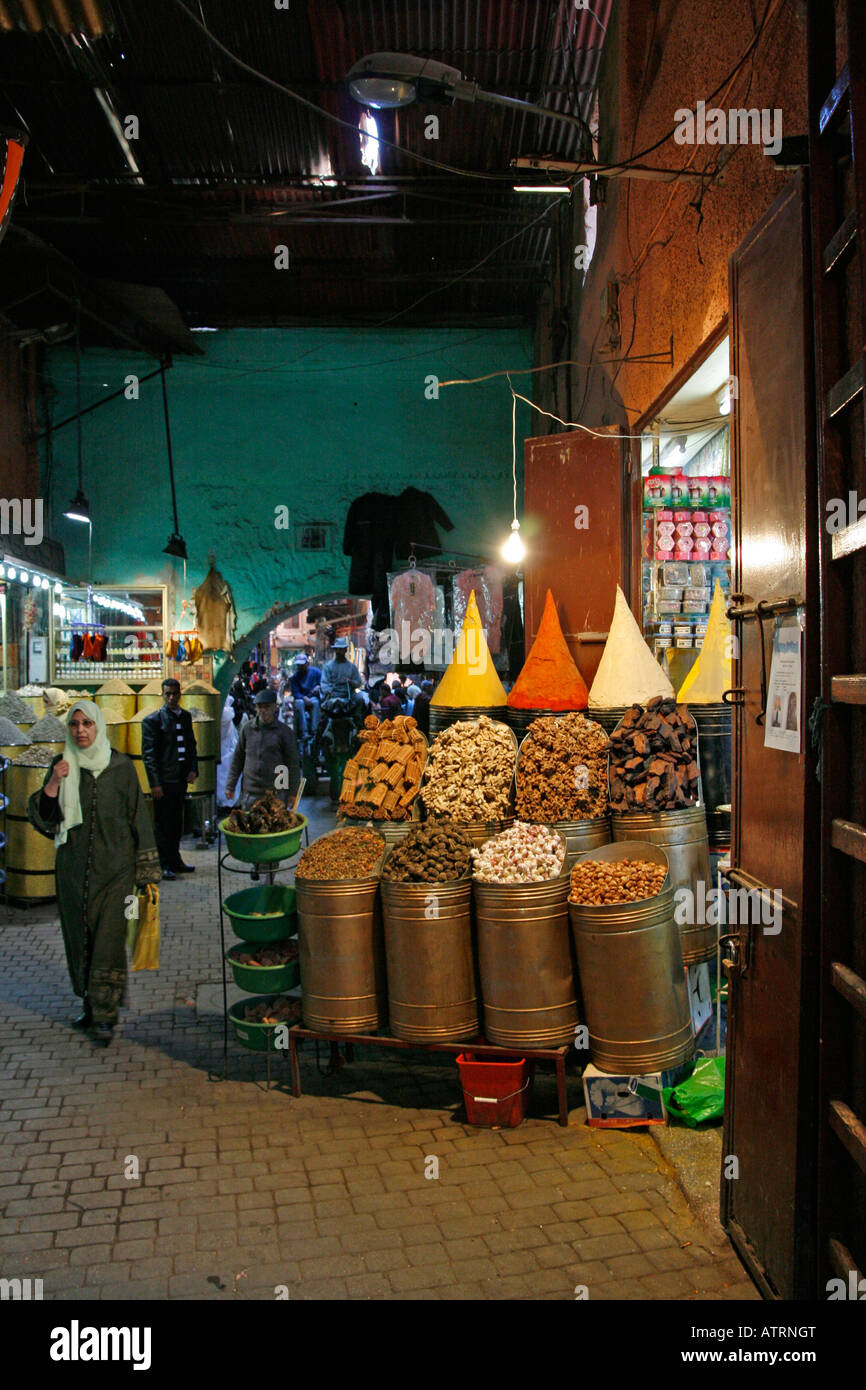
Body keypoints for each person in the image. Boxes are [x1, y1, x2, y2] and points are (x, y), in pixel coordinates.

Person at [27, 700, 161, 1046]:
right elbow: (44, 819)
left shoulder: (121, 768)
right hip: (73, 873)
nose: (81, 730)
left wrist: (147, 871)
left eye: (87, 724)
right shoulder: (62, 765)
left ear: (98, 726)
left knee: (109, 942)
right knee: (80, 940)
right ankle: (89, 1004)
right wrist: (55, 783)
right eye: (74, 725)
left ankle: (105, 1014)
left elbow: (138, 818)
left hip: (117, 872)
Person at [141, 679, 199, 880]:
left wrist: (193, 769)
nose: (172, 698)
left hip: (180, 779)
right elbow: (149, 756)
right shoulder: (153, 721)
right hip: (164, 782)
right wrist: (155, 783)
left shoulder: (185, 717)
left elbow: (191, 744)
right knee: (162, 824)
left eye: (175, 693)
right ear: (163, 695)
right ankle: (163, 863)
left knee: (176, 822)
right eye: (168, 694)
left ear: (180, 694)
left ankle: (175, 860)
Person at [225, 687, 301, 808]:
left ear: (274, 708)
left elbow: (292, 764)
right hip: (250, 794)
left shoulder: (285, 732)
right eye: (260, 707)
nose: (263, 711)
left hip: (277, 794)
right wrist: (230, 786)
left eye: (267, 707)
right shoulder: (247, 729)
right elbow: (237, 760)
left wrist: (293, 793)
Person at [319, 637, 365, 721]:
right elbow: (324, 684)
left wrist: (351, 682)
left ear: (345, 650)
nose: (339, 652)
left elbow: (358, 682)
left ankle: (359, 722)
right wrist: (331, 692)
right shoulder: (328, 667)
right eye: (337, 649)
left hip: (349, 695)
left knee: (360, 698)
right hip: (333, 695)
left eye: (341, 649)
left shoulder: (351, 667)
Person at [289, 652, 322, 742]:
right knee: (299, 703)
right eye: (299, 665)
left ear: (307, 663)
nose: (300, 667)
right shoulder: (295, 677)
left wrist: (318, 686)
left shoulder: (316, 672)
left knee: (315, 702)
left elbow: (322, 683)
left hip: (313, 697)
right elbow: (295, 692)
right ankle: (304, 732)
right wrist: (304, 697)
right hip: (302, 698)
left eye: (302, 665)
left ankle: (314, 730)